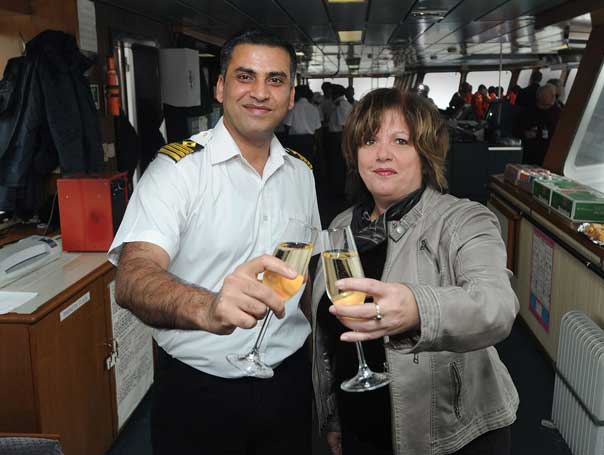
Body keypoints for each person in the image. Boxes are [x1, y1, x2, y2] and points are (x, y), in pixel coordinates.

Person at [108, 29, 321, 455]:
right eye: (245, 76)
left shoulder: (302, 173)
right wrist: (208, 307)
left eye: (275, 80)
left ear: (290, 96)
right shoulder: (177, 171)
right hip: (198, 392)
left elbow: (307, 275)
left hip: (289, 383)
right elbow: (132, 277)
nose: (260, 92)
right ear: (220, 88)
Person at [311, 88, 519, 455]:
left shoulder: (464, 219)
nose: (382, 153)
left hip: (452, 436)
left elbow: (496, 306)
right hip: (361, 426)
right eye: (369, 140)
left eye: (401, 141)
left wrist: (417, 309)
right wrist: (333, 416)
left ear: (425, 154)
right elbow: (329, 341)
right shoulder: (340, 228)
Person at [514, 84, 561, 166]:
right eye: (551, 94)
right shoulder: (527, 112)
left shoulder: (557, 113)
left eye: (554, 95)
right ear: (540, 96)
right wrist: (525, 134)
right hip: (529, 153)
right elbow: (516, 130)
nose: (554, 97)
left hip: (549, 153)